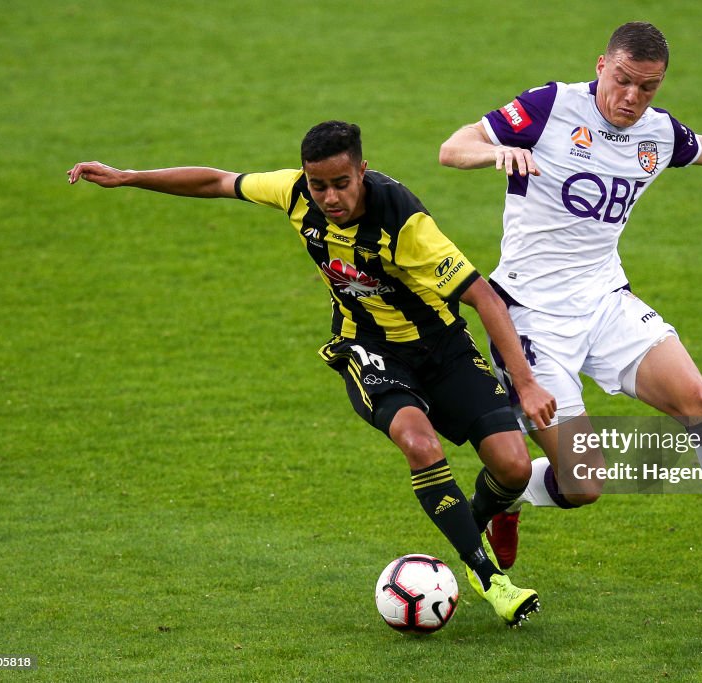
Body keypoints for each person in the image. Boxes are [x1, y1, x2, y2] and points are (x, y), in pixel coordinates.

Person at [68, 120, 557, 625]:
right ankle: (487, 576)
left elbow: (483, 297)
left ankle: (482, 515)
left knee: (514, 467)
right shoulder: (296, 193)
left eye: (340, 184)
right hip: (369, 348)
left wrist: (524, 381)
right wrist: (128, 177)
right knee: (419, 443)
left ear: (362, 171)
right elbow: (217, 181)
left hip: (443, 347)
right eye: (317, 184)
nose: (328, 197)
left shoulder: (404, 224)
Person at [439, 22, 702, 595]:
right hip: (531, 318)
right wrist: (498, 152)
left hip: (606, 303)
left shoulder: (657, 134)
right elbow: (451, 148)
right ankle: (508, 492)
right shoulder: (550, 106)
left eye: (648, 88)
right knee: (583, 485)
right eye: (624, 81)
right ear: (602, 65)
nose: (631, 98)